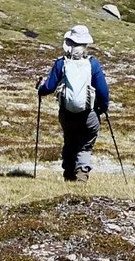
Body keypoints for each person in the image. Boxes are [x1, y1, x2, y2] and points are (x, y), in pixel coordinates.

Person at [38, 26, 110, 181]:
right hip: (89, 114)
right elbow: (103, 91)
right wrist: (102, 108)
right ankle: (82, 176)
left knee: (70, 141)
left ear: (68, 43)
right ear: (86, 45)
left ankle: (68, 175)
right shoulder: (93, 64)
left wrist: (40, 88)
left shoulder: (61, 63)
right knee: (85, 145)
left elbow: (48, 88)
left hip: (67, 114)